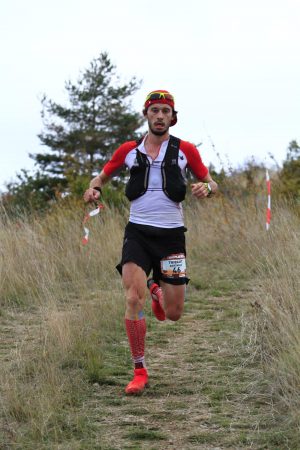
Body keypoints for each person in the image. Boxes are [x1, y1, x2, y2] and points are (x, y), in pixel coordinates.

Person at [83, 89, 218, 395]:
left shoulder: (185, 150)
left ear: (173, 117)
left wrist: (207, 189)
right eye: (154, 110)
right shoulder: (129, 150)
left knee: (173, 313)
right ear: (146, 114)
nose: (159, 116)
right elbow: (100, 178)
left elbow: (212, 182)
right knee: (132, 298)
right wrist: (93, 190)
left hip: (171, 236)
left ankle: (157, 289)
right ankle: (139, 370)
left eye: (165, 111)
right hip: (138, 233)